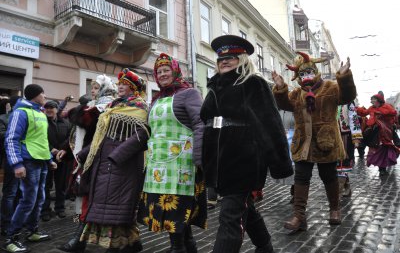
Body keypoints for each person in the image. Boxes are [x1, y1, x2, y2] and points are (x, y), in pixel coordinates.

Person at [201, 35, 293, 253]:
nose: (224, 61)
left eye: (231, 57)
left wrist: (280, 163)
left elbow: (270, 122)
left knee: (230, 215)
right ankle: (265, 246)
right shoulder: (215, 84)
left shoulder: (253, 82)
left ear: (241, 59)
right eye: (221, 58)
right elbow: (205, 120)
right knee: (245, 208)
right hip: (219, 158)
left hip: (244, 157)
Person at [272, 52, 357, 233]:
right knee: (301, 177)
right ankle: (298, 216)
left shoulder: (330, 87)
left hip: (325, 141)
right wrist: (280, 88)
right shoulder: (296, 94)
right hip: (303, 142)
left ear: (316, 70)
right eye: (302, 74)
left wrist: (343, 77)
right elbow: (285, 105)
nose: (306, 76)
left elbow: (347, 97)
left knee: (329, 176)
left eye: (309, 71)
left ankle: (334, 209)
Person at [139, 53, 207, 253]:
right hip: (158, 163)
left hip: (181, 163)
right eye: (158, 72)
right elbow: (149, 131)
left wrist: (199, 156)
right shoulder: (157, 98)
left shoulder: (189, 93)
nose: (162, 74)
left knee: (177, 207)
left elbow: (200, 124)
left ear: (176, 71)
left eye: (166, 70)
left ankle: (178, 248)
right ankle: (187, 245)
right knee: (166, 206)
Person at [78, 69, 149, 253]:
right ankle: (131, 243)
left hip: (123, 165)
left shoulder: (140, 107)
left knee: (117, 206)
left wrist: (118, 155)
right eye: (119, 84)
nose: (120, 87)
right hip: (104, 163)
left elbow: (144, 134)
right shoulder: (114, 105)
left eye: (125, 84)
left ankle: (115, 246)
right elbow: (102, 136)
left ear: (133, 88)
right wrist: (85, 153)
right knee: (108, 205)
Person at [57, 75, 117, 253]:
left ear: (106, 88)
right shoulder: (93, 106)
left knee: (94, 201)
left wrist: (77, 111)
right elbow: (79, 133)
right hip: (86, 159)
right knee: (85, 200)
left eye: (97, 88)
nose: (92, 90)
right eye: (92, 87)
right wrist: (66, 150)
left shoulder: (106, 107)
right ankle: (79, 238)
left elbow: (86, 122)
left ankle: (81, 240)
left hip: (99, 160)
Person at [4, 84, 57, 253]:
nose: (45, 96)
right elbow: (11, 139)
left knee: (39, 199)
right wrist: (17, 164)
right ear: (35, 95)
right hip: (28, 162)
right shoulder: (20, 112)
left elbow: (42, 141)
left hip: (41, 163)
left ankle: (32, 231)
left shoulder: (39, 113)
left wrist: (49, 159)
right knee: (28, 200)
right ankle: (10, 239)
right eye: (43, 93)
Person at [40, 100, 73, 221]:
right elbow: (39, 137)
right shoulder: (41, 122)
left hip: (62, 158)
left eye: (51, 108)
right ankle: (45, 210)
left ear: (56, 109)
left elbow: (70, 137)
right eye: (47, 108)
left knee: (61, 185)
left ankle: (60, 208)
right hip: (45, 157)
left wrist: (62, 149)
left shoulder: (66, 123)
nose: (49, 110)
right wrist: (51, 149)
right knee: (45, 185)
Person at [356, 91, 399, 175]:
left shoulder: (387, 106)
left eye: (373, 100)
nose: (371, 101)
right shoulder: (371, 108)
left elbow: (393, 112)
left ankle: (383, 169)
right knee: (376, 150)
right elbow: (364, 113)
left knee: (384, 150)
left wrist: (380, 112)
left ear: (378, 100)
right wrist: (356, 108)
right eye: (371, 100)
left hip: (385, 133)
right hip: (374, 133)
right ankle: (381, 169)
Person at [0, 96, 21, 236]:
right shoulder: (3, 118)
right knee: (10, 193)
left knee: (21, 193)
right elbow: (2, 135)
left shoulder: (26, 116)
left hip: (26, 160)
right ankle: (6, 224)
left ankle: (16, 221)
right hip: (10, 159)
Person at [337, 101, 362, 197]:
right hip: (332, 136)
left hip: (345, 137)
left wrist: (356, 139)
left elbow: (354, 120)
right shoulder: (331, 99)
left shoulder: (348, 103)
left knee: (342, 163)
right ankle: (346, 186)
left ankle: (337, 192)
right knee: (335, 165)